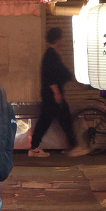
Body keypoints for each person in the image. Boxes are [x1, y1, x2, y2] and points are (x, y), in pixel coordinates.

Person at [29, 27, 84, 157]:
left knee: (49, 120)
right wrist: (56, 93)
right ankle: (73, 146)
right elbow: (50, 76)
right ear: (57, 39)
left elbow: (62, 73)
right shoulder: (51, 55)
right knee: (62, 119)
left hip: (50, 94)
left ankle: (35, 147)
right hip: (52, 95)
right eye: (61, 38)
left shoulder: (51, 54)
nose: (63, 41)